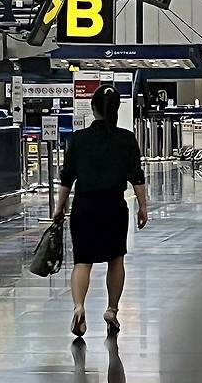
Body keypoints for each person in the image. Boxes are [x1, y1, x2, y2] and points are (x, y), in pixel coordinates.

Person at [54, 85, 148, 338]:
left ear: (93, 108)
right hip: (113, 207)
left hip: (84, 207)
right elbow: (137, 177)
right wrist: (143, 207)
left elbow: (67, 178)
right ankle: (112, 310)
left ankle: (79, 307)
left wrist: (59, 207)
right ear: (117, 109)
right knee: (115, 259)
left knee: (82, 262)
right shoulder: (126, 139)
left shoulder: (79, 139)